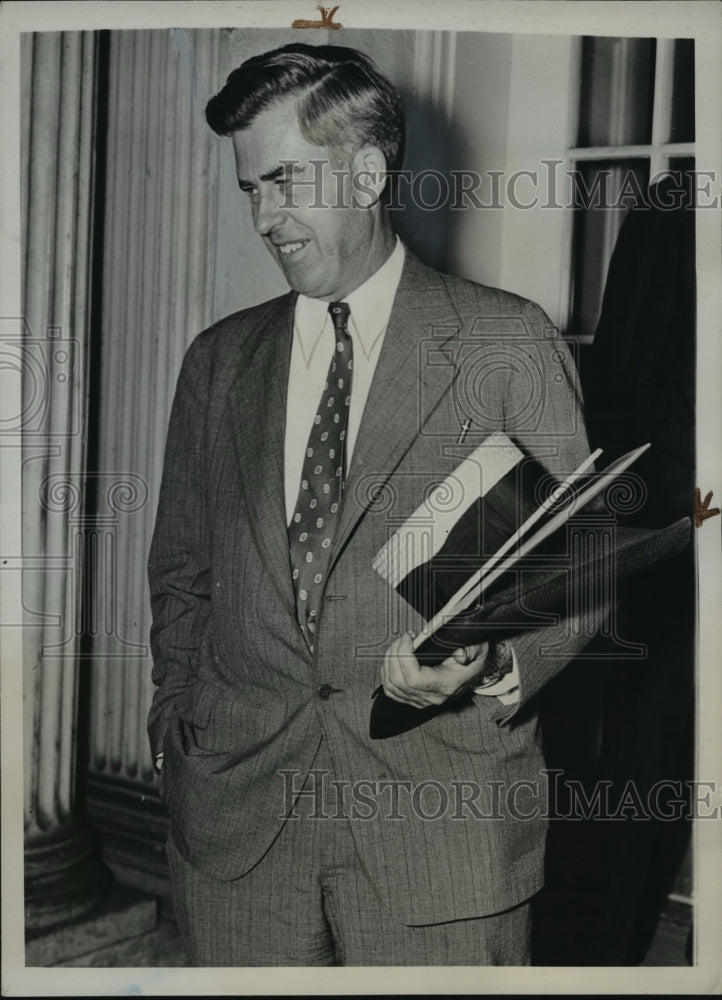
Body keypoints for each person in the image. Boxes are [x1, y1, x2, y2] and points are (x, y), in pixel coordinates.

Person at [147, 42, 593, 966]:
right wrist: (175, 731)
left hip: (441, 832)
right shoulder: (218, 361)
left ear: (365, 171)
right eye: (249, 190)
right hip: (239, 835)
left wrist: (492, 660)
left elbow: (584, 570)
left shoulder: (506, 341)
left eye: (284, 181)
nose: (265, 217)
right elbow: (182, 576)